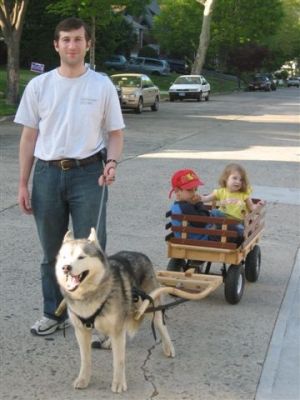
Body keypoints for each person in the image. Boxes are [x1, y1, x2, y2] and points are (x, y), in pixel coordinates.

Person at [14, 17, 124, 336]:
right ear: (56, 45)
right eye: (66, 39)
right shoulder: (39, 86)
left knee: (93, 249)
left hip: (89, 174)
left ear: (87, 44)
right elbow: (28, 138)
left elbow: (115, 133)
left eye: (78, 39)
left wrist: (112, 162)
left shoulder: (101, 85)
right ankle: (54, 313)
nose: (72, 45)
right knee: (52, 252)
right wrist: (23, 182)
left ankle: (95, 316)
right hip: (47, 175)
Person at [200, 163, 263, 239]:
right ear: (226, 179)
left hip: (236, 223)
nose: (238, 182)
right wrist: (197, 197)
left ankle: (233, 233)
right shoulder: (220, 192)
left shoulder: (243, 195)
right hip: (222, 220)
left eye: (241, 180)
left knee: (240, 230)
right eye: (235, 178)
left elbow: (251, 207)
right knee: (215, 212)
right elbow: (206, 199)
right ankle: (212, 229)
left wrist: (257, 206)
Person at [169, 169, 210, 240]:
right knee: (232, 232)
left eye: (195, 189)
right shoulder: (185, 207)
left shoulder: (178, 206)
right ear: (177, 191)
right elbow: (204, 221)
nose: (194, 193)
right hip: (199, 239)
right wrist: (198, 203)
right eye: (189, 190)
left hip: (193, 236)